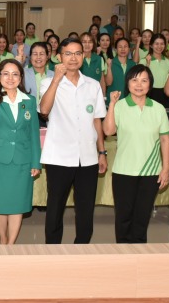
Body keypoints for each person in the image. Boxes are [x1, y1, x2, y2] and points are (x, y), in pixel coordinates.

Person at [38, 38, 108, 244]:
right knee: (55, 207)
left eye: (78, 53)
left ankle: (82, 248)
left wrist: (101, 152)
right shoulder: (48, 82)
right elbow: (44, 110)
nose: (73, 58)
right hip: (59, 156)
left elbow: (97, 120)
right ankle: (52, 249)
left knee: (85, 208)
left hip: (87, 157)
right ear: (58, 57)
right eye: (68, 53)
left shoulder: (93, 85)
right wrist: (56, 80)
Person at [103, 65, 169, 243]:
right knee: (123, 217)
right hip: (124, 171)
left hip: (151, 172)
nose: (139, 84)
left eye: (144, 80)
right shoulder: (120, 106)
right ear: (128, 83)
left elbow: (165, 140)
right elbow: (108, 131)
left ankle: (139, 254)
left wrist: (165, 168)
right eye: (134, 80)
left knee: (142, 217)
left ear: (150, 84)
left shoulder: (158, 108)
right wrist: (111, 104)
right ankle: (123, 253)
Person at [0, 59, 41, 244]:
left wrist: (36, 162)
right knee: (0, 203)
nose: (10, 78)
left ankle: (11, 244)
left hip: (22, 159)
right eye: (6, 73)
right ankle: (3, 239)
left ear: (21, 77)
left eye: (15, 74)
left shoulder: (29, 101)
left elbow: (33, 134)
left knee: (17, 204)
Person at [139, 33, 169, 108]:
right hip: (149, 93)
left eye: (162, 44)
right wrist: (148, 65)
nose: (159, 46)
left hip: (165, 94)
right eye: (156, 44)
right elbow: (141, 80)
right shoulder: (143, 61)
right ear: (151, 45)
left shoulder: (168, 62)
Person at [105, 38, 136, 104]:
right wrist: (109, 67)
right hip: (113, 101)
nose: (123, 49)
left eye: (125, 46)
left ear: (129, 49)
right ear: (116, 49)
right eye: (120, 47)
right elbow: (108, 83)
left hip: (128, 100)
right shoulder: (110, 62)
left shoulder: (133, 64)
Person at [79, 32, 107, 97]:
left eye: (90, 42)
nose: (87, 44)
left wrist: (104, 96)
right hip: (81, 94)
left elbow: (102, 80)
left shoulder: (99, 59)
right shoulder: (76, 59)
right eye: (84, 42)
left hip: (95, 94)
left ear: (93, 44)